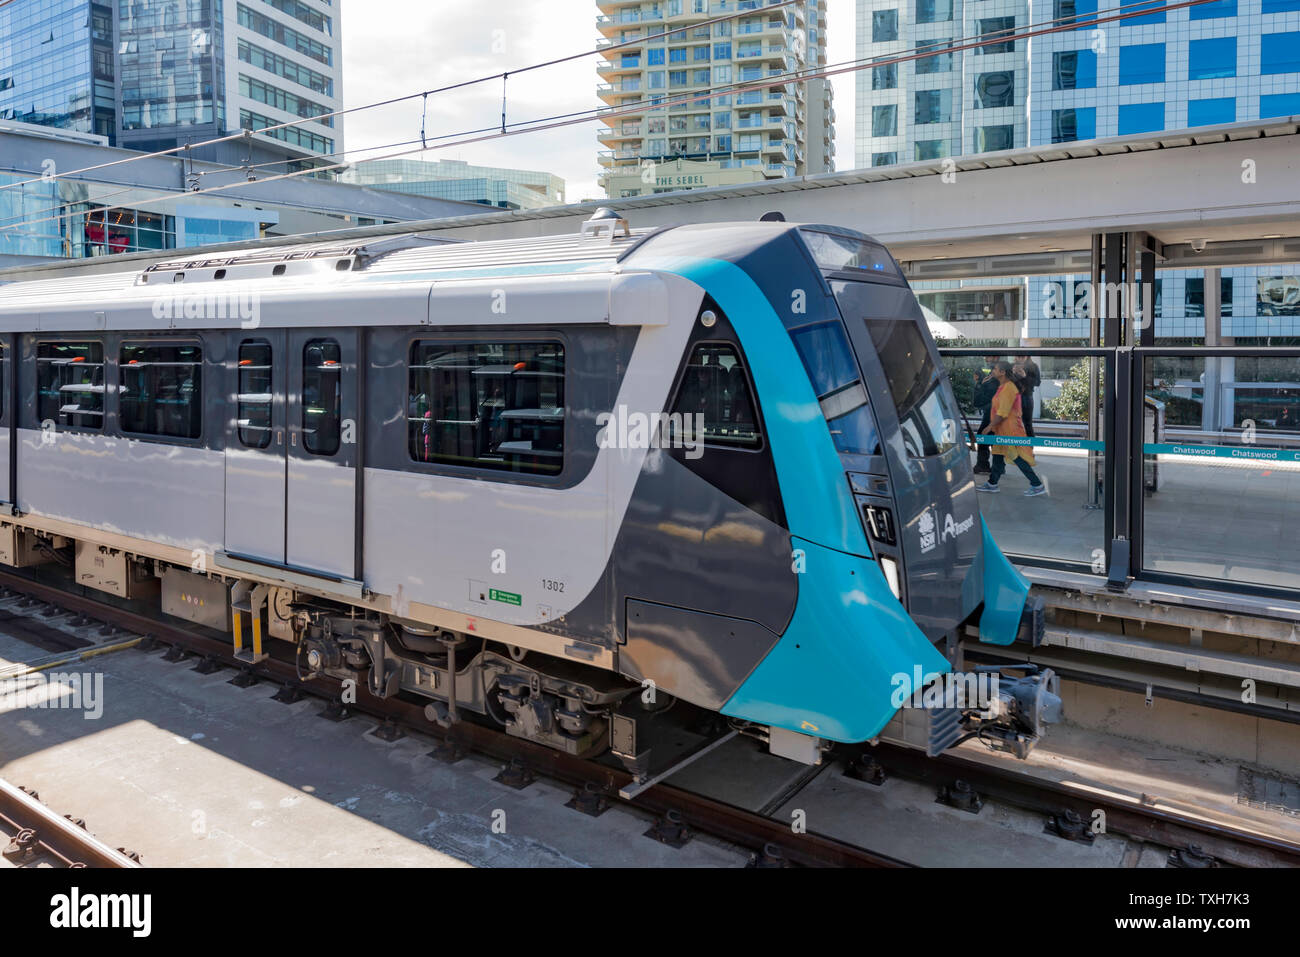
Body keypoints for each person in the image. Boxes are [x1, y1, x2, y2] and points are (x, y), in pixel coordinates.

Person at [977, 361, 1046, 496]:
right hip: (1001, 430)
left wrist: (989, 426)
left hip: (1010, 430)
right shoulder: (1003, 387)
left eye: (995, 369)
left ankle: (1037, 484)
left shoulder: (1009, 388)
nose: (993, 371)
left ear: (1002, 372)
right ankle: (992, 483)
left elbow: (1003, 412)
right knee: (997, 455)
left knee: (1016, 457)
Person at [972, 356, 1000, 474]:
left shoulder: (996, 373)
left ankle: (984, 465)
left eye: (988, 356)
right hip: (992, 410)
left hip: (993, 411)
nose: (985, 359)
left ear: (995, 357)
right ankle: (997, 466)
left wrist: (981, 385)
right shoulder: (992, 371)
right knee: (992, 437)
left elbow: (987, 395)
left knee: (984, 436)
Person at [1012, 354, 1041, 438]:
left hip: (1026, 397)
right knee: (1013, 423)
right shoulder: (1011, 366)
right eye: (1018, 356)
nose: (1020, 358)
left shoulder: (1033, 366)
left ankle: (1030, 448)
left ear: (1027, 356)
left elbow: (1037, 382)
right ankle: (1016, 447)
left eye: (1023, 356)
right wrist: (1012, 374)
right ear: (1015, 357)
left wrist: (1024, 376)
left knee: (1027, 424)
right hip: (1013, 397)